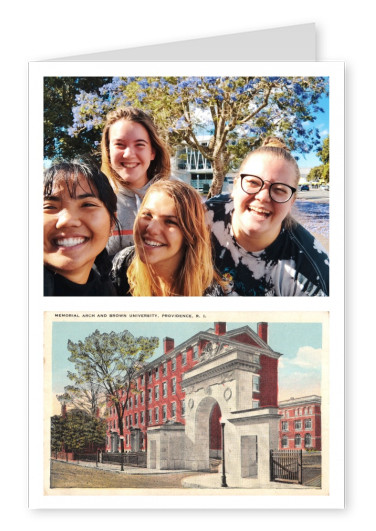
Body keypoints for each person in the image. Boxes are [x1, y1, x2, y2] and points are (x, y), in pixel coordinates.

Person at [206, 137, 329, 296]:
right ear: (235, 186)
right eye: (253, 183)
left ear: (292, 201)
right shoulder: (202, 217)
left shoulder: (311, 274)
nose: (263, 197)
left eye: (279, 189)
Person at [111, 180, 223, 296]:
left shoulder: (209, 293)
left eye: (170, 222)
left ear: (190, 234)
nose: (151, 229)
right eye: (147, 215)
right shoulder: (122, 264)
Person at [101, 106, 171, 257]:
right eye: (119, 144)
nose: (129, 154)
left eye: (139, 144)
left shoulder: (176, 197)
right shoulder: (96, 200)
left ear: (152, 152)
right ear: (108, 151)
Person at [43, 158, 119, 296]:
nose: (67, 220)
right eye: (49, 207)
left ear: (112, 223)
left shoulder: (107, 291)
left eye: (87, 205)